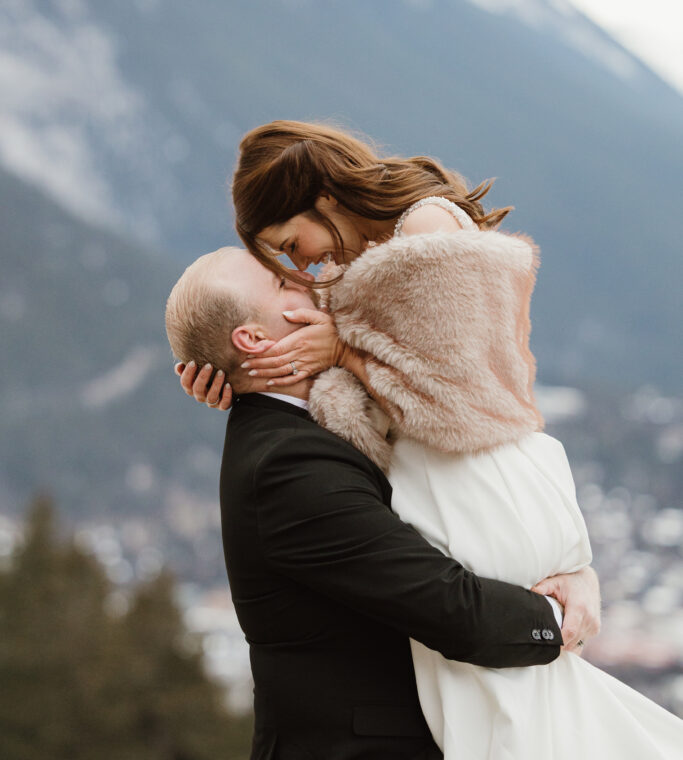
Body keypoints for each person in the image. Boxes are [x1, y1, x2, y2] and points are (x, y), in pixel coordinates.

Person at [179, 120, 683, 757]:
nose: (301, 269)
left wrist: (334, 348)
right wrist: (228, 368)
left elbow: (459, 388)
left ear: (322, 200)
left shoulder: (424, 229)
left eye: (290, 245)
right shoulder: (352, 284)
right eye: (282, 268)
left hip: (472, 485)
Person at [166, 246, 580, 760]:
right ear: (252, 339)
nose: (303, 274)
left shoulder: (305, 421)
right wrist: (561, 616)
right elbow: (451, 608)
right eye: (280, 283)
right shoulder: (286, 466)